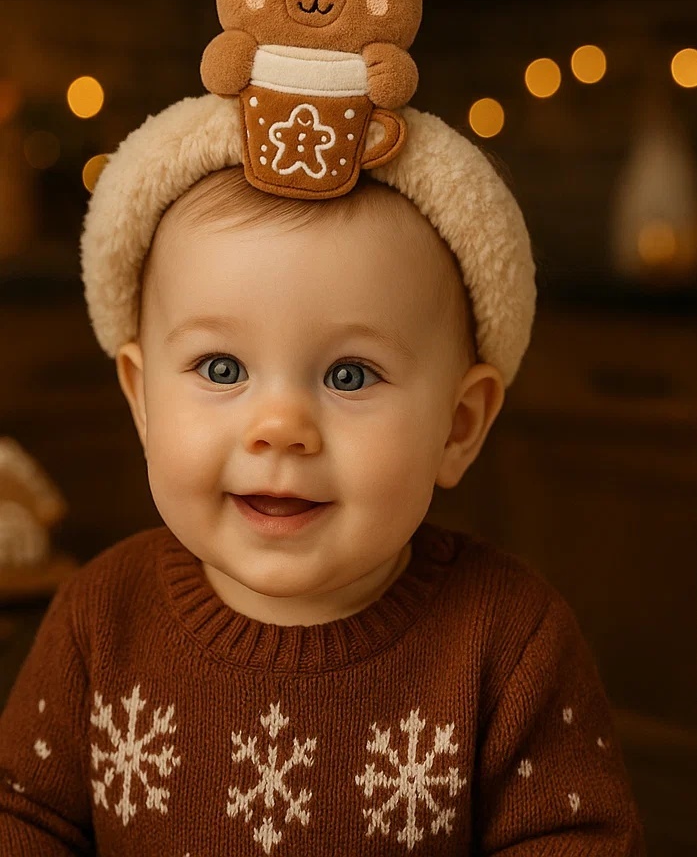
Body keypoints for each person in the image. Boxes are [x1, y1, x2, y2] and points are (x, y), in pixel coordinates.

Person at [0, 94, 646, 854]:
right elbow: (25, 818)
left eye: (348, 375)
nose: (279, 429)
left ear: (459, 425)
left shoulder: (508, 639)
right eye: (221, 367)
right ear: (141, 399)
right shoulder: (97, 619)